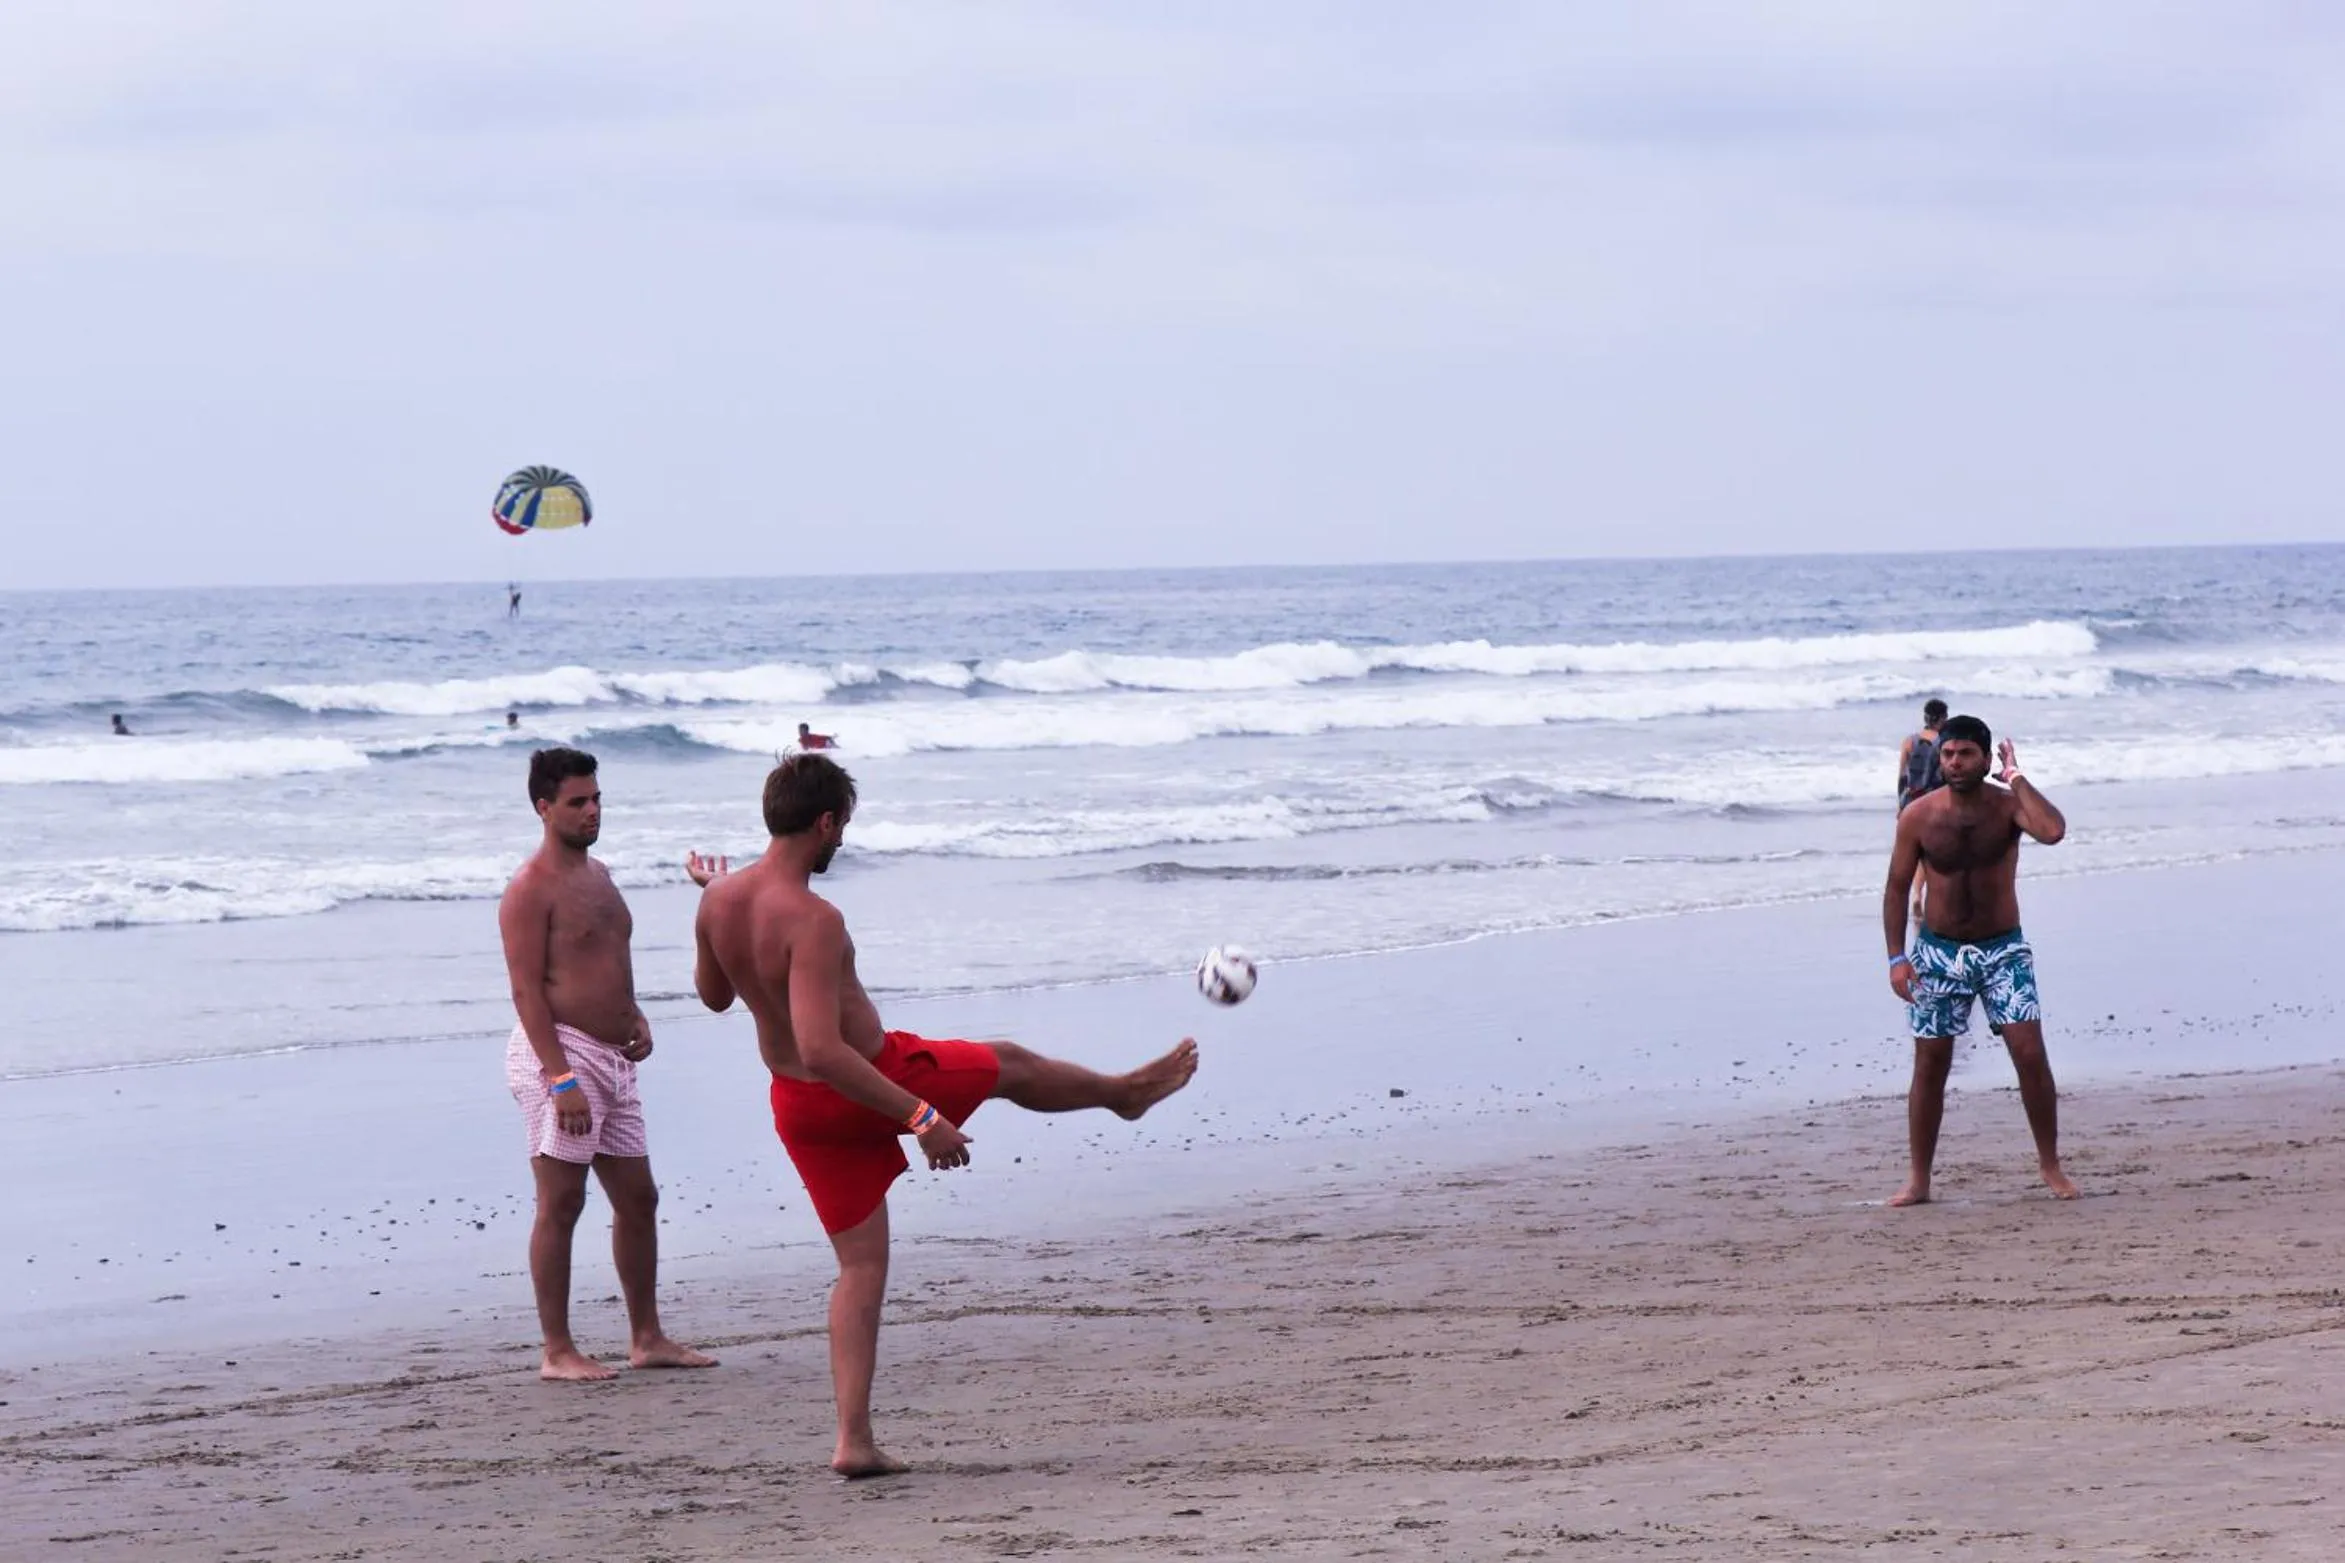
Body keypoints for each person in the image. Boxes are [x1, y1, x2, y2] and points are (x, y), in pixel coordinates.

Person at [685, 754, 1197, 1476]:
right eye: (843, 829)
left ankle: (853, 1441)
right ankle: (1123, 1094)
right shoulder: (814, 917)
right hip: (873, 1077)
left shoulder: (716, 900)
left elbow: (712, 997)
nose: (841, 843)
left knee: (858, 1268)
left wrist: (712, 904)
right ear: (825, 821)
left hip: (798, 1107)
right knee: (1009, 1063)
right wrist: (921, 1113)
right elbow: (826, 1048)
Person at [499, 747, 715, 1382]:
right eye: (577, 803)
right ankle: (557, 1350)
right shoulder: (528, 891)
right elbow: (526, 992)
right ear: (544, 808)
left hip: (615, 1057)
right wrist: (559, 1075)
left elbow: (607, 961)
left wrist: (635, 1014)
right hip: (561, 1056)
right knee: (561, 1203)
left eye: (596, 800)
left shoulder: (600, 876)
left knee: (639, 1198)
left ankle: (647, 1338)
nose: (592, 811)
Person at [1882, 715, 2075, 1207]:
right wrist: (1896, 958)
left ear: (1986, 759)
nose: (1954, 762)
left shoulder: (2008, 808)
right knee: (1931, 1063)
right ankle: (1919, 1179)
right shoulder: (1919, 816)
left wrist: (2016, 777)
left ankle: (2050, 1165)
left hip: (2002, 949)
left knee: (2029, 1053)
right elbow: (1897, 887)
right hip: (1938, 954)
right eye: (1948, 754)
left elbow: (2052, 831)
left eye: (1966, 754)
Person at [1896, 699, 1948, 812]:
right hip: (1936, 800)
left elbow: (1902, 777)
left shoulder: (1909, 741)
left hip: (1911, 800)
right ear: (1943, 717)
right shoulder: (1945, 742)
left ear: (1925, 718)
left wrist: (1901, 804)